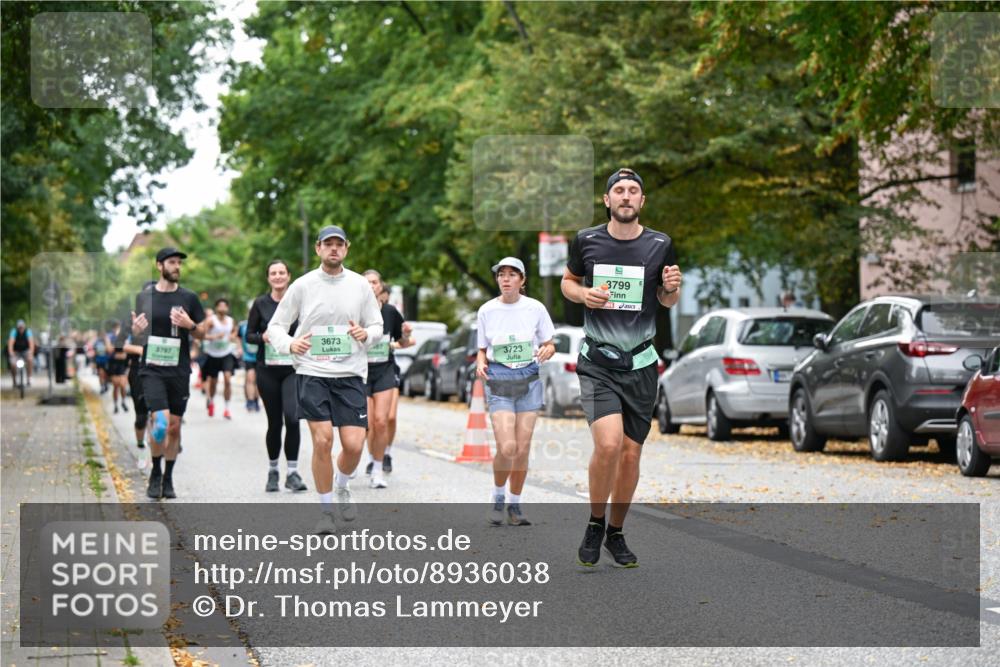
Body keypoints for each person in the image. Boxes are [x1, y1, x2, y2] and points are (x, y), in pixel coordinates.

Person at [561, 167, 682, 567]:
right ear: (607, 200)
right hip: (599, 360)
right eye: (619, 190)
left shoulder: (660, 244)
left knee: (631, 454)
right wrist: (584, 295)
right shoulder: (587, 240)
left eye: (633, 191)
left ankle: (616, 531)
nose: (626, 196)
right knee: (609, 444)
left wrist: (671, 289)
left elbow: (666, 302)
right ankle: (595, 523)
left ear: (642, 201)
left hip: (642, 362)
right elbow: (568, 282)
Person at [266, 226, 382, 533]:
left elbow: (377, 324)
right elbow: (276, 326)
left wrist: (366, 334)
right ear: (318, 248)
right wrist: (289, 344)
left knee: (355, 446)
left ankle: (342, 485)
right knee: (322, 440)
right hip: (312, 372)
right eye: (327, 244)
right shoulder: (303, 286)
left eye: (338, 244)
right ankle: (326, 510)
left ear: (346, 248)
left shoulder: (359, 285)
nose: (333, 249)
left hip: (350, 374)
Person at [475, 257, 555, 526]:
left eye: (512, 274)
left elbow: (549, 342)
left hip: (528, 378)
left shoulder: (535, 308)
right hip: (499, 377)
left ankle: (515, 505)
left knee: (521, 449)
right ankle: (498, 496)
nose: (505, 279)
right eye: (501, 275)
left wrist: (548, 349)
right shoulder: (486, 310)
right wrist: (480, 361)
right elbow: (481, 348)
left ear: (522, 280)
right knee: (507, 447)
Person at [131, 247, 207, 500]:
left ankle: (168, 477)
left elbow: (202, 332)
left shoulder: (190, 298)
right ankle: (155, 471)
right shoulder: (144, 297)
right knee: (160, 422)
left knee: (174, 427)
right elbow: (138, 334)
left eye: (179, 263)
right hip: (151, 368)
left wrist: (190, 325)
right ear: (159, 266)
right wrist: (136, 330)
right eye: (172, 262)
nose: (177, 267)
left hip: (179, 370)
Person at [246, 259, 307, 493]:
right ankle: (273, 471)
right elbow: (249, 335)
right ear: (268, 278)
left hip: (292, 369)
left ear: (289, 276)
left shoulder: (299, 302)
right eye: (274, 273)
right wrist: (262, 337)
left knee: (292, 418)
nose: (278, 276)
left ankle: (292, 472)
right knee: (275, 422)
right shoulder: (260, 304)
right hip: (268, 369)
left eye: (282, 272)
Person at [361, 270, 414, 488]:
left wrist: (407, 334)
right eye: (367, 283)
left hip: (384, 369)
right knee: (366, 424)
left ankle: (377, 468)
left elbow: (404, 341)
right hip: (360, 372)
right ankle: (359, 459)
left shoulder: (391, 312)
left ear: (381, 287)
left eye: (374, 282)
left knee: (382, 421)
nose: (371, 286)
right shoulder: (354, 312)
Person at [202, 299, 238, 419]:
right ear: (216, 308)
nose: (222, 308)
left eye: (224, 306)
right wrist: (215, 336)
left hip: (226, 353)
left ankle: (227, 408)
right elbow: (202, 335)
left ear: (227, 308)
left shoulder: (230, 321)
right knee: (213, 382)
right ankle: (211, 401)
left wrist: (232, 337)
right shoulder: (211, 320)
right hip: (213, 354)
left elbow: (234, 333)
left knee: (228, 379)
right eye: (220, 306)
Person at [237, 316, 260, 412]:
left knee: (258, 380)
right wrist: (240, 348)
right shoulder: (243, 325)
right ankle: (250, 401)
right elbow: (238, 337)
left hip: (260, 356)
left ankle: (256, 400)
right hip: (248, 356)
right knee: (250, 378)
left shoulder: (263, 324)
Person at [106, 319, 130, 414]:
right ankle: (116, 404)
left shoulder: (125, 337)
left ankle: (123, 402)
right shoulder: (110, 337)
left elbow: (127, 351)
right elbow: (109, 350)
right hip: (113, 364)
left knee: (123, 385)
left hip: (123, 364)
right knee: (116, 386)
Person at [7, 319, 36, 386]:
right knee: (13, 364)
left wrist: (31, 352)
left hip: (25, 351)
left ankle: (29, 378)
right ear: (17, 327)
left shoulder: (28, 332)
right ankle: (14, 381)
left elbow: (31, 343)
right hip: (16, 352)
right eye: (19, 327)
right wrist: (11, 353)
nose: (21, 329)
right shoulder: (14, 332)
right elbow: (11, 343)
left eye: (22, 327)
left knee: (30, 359)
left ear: (24, 327)